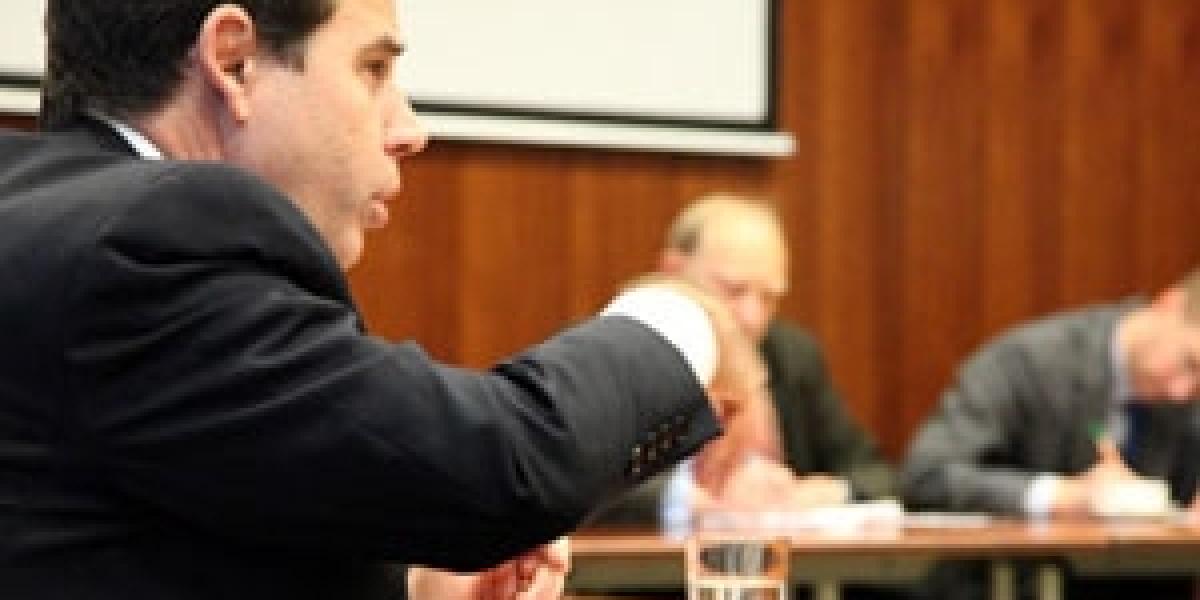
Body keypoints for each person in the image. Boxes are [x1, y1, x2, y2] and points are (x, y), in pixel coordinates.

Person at [0, 1, 770, 598]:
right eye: (372, 69)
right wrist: (685, 317)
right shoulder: (153, 242)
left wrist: (411, 582)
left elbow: (153, 536)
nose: (408, 129)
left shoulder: (39, 212)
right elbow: (497, 465)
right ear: (233, 61)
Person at [593, 195, 896, 527]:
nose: (753, 317)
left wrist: (824, 492)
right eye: (734, 290)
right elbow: (575, 480)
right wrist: (689, 499)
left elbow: (876, 473)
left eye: (769, 297)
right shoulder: (616, 352)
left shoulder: (791, 355)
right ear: (673, 271)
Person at [902, 269, 1200, 598]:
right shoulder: (1028, 362)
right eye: (1190, 364)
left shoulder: (1188, 397)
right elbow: (927, 474)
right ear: (1168, 305)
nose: (1182, 392)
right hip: (1011, 584)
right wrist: (1058, 495)